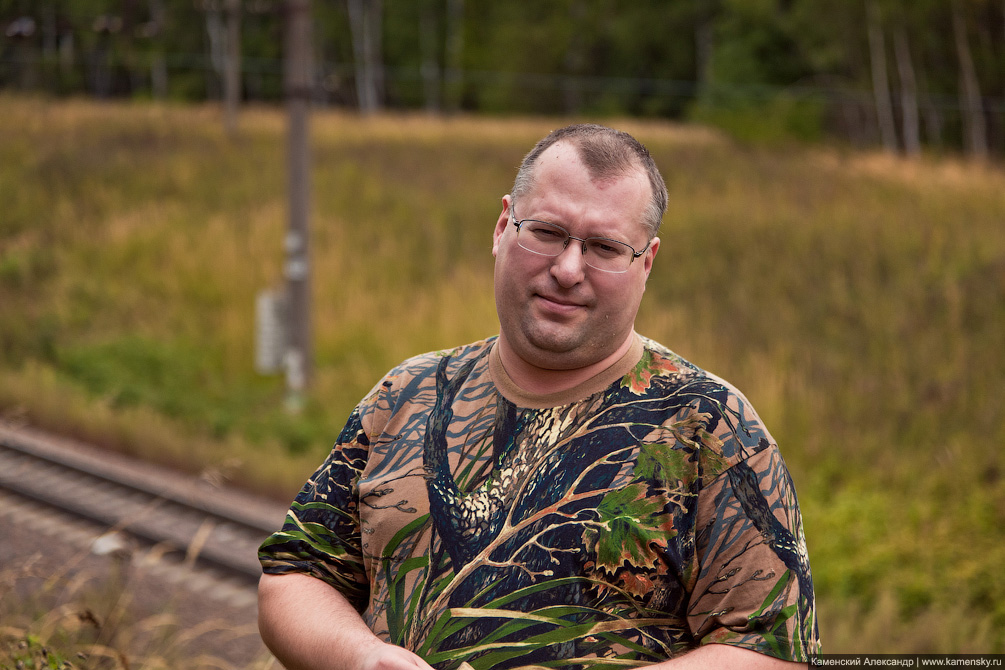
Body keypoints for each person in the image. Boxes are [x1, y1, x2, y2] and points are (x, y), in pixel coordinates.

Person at [258, 124, 820, 670]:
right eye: (547, 232)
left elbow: (773, 648)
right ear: (503, 226)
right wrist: (361, 658)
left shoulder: (710, 426)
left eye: (604, 246)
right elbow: (295, 576)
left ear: (645, 263)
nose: (568, 270)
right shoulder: (407, 395)